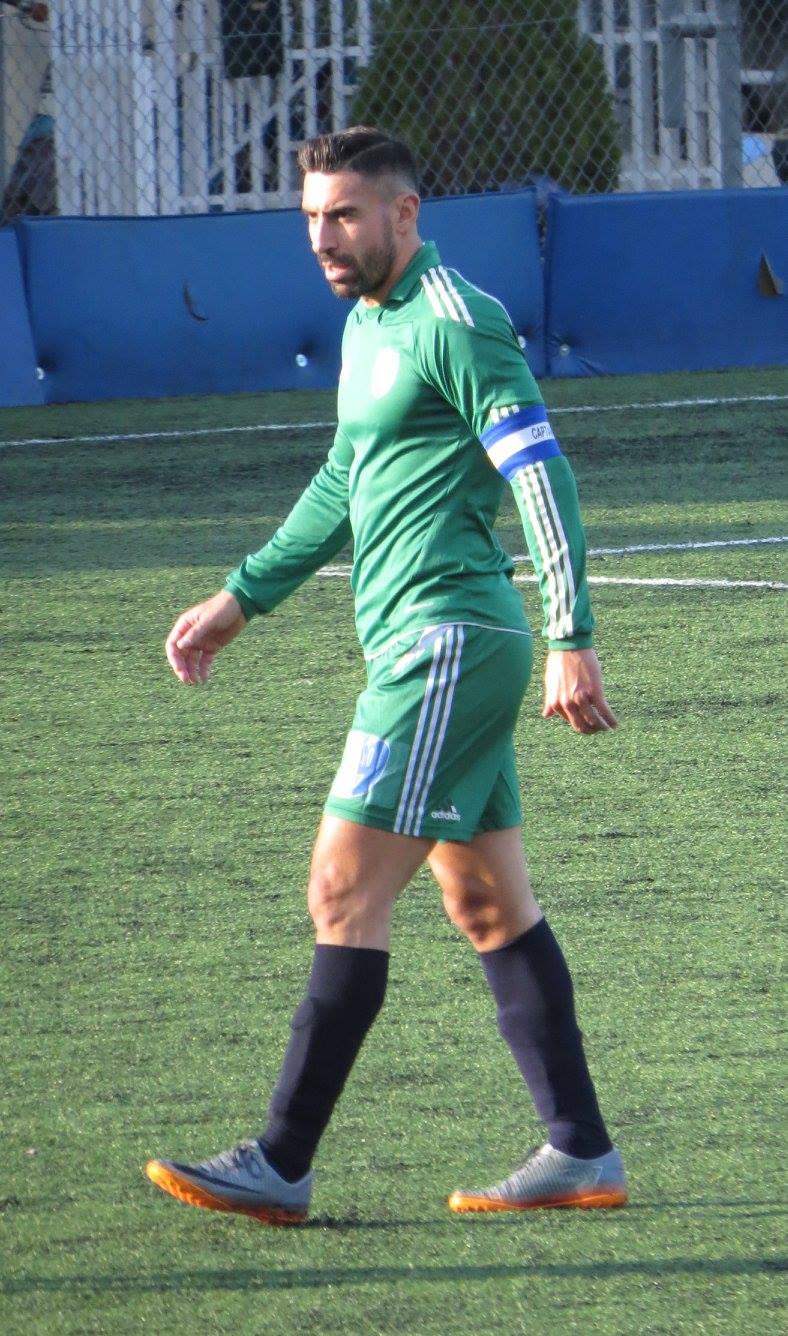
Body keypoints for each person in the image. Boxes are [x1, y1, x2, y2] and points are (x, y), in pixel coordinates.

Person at [145, 126, 627, 1225]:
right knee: (485, 901)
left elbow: (540, 474)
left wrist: (572, 633)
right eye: (311, 217)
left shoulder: (456, 319)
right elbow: (343, 480)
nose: (323, 237)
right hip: (428, 642)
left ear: (405, 213)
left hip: (446, 641)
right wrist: (239, 598)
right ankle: (581, 1150)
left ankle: (280, 1161)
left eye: (345, 215)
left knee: (342, 887)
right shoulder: (369, 322)